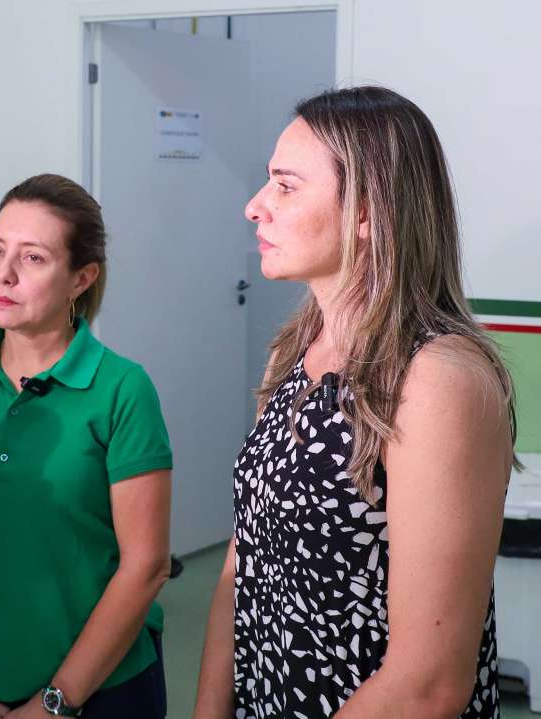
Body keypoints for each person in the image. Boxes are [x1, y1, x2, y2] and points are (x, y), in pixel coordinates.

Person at [192, 86, 515, 719]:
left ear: (366, 211)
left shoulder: (434, 381)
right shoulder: (295, 352)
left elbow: (427, 686)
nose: (255, 206)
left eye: (285, 186)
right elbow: (243, 562)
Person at [0, 174, 174, 718]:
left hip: (100, 689)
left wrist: (54, 704)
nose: (3, 274)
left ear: (81, 278)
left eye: (32, 258)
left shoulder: (122, 389)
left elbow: (145, 565)